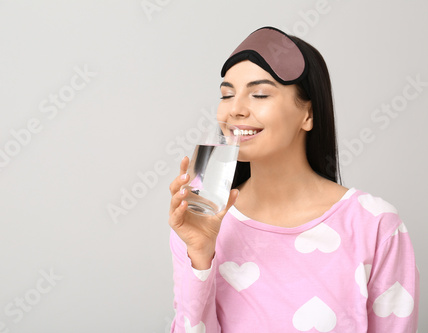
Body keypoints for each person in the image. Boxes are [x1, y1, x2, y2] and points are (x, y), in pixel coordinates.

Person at [167, 27, 419, 332]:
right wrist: (200, 255)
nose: (235, 109)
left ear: (308, 114)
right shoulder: (203, 221)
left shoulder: (374, 224)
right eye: (227, 94)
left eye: (259, 94)